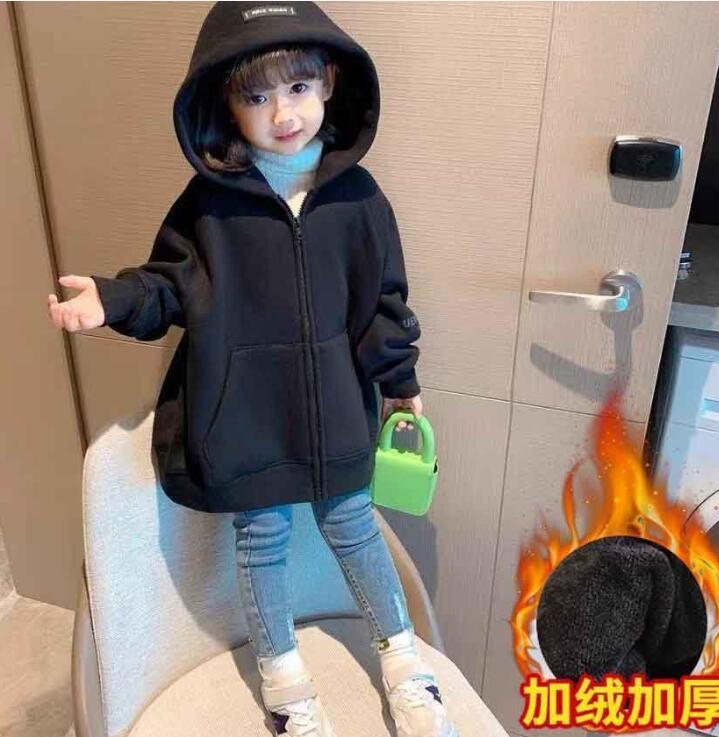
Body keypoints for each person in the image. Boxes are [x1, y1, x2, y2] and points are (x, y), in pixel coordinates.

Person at [48, 3, 457, 736]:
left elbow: (383, 303)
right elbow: (166, 287)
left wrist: (400, 382)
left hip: (337, 416)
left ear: (328, 82)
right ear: (227, 107)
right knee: (260, 542)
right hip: (247, 422)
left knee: (355, 528)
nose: (283, 113)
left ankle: (404, 666)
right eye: (258, 96)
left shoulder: (361, 200)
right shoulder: (206, 208)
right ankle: (286, 686)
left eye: (297, 87)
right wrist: (111, 301)